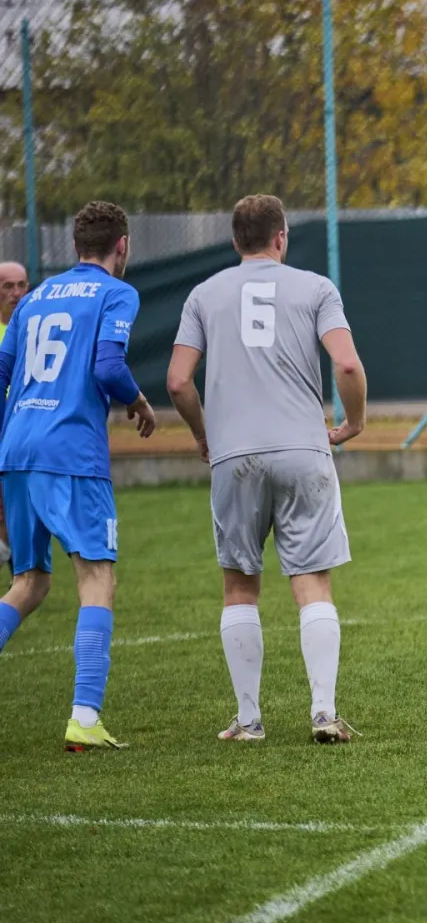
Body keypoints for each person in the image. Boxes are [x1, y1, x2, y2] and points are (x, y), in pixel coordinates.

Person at [166, 194, 366, 744]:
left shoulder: (204, 294)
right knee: (312, 582)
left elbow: (178, 381)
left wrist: (203, 434)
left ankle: (250, 720)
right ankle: (323, 713)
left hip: (234, 456)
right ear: (281, 237)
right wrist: (354, 422)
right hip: (304, 450)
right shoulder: (316, 288)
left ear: (235, 241)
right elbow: (347, 363)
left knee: (239, 586)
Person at [0, 202, 158, 749]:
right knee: (96, 578)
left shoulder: (35, 296)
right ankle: (85, 719)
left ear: (74, 246)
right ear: (122, 246)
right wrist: (138, 400)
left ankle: (86, 719)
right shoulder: (117, 293)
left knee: (29, 583)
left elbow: (1, 370)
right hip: (71, 452)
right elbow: (108, 367)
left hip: (17, 448)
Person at [0, 260, 31, 569]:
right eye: (8, 286)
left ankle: (21, 577)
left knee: (19, 513)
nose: (16, 293)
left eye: (22, 285)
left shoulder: (35, 329)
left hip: (27, 431)